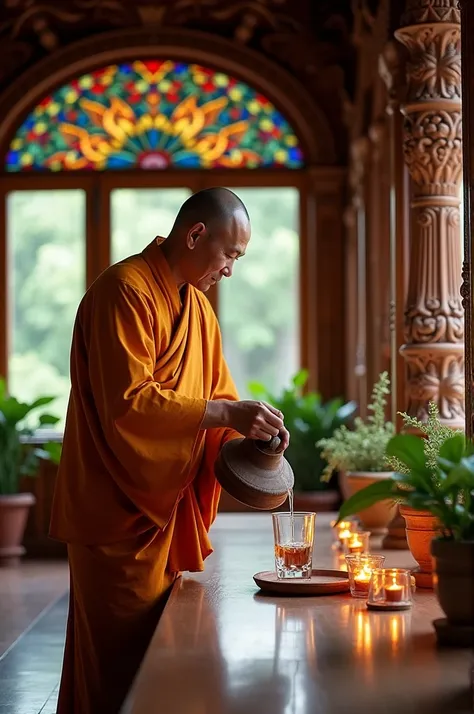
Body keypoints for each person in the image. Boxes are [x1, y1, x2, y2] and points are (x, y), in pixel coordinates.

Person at [49, 187, 289, 714]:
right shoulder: (124, 292)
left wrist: (252, 434)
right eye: (229, 254)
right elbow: (129, 405)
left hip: (168, 512)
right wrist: (227, 414)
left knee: (164, 666)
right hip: (117, 513)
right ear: (195, 234)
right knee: (116, 671)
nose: (229, 270)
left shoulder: (199, 312)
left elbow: (219, 402)